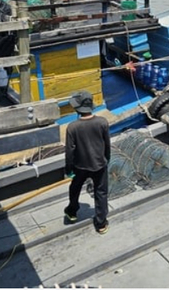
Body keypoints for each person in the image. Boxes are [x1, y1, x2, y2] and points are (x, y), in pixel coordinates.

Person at [64, 90, 111, 234]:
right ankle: (101, 223)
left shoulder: (72, 127)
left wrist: (69, 170)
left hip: (80, 166)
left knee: (75, 188)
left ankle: (72, 212)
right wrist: (106, 160)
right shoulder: (102, 122)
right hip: (99, 165)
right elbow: (107, 145)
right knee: (101, 193)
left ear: (77, 109)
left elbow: (70, 152)